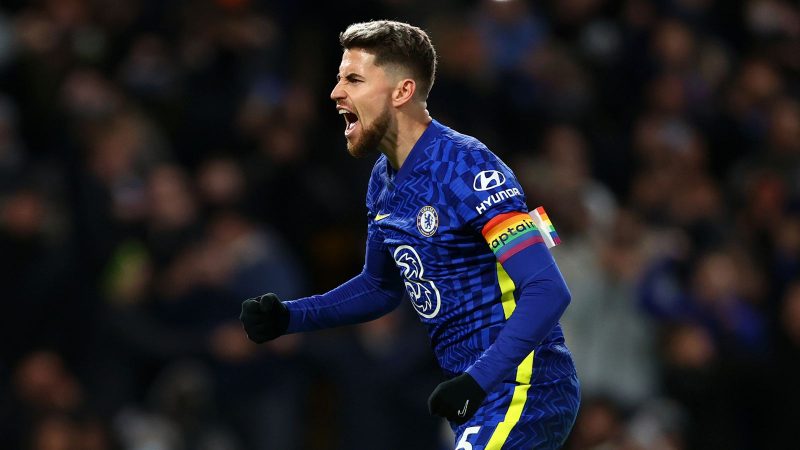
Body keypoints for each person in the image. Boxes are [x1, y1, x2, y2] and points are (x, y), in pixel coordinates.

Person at [240, 20, 580, 449]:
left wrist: (477, 380)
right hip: (480, 394)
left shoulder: (467, 166)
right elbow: (379, 288)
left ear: (401, 92)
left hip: (525, 386)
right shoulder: (383, 180)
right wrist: (291, 316)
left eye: (354, 79)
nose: (336, 92)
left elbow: (548, 289)